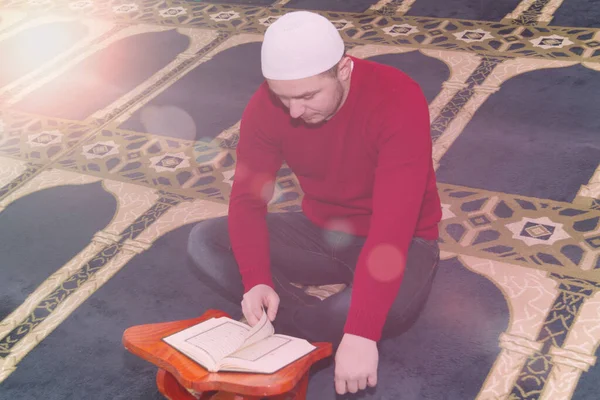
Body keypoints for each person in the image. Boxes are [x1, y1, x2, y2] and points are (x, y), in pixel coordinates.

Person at [187, 10, 442, 396]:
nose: (294, 112)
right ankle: (307, 321)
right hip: (322, 232)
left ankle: (292, 326)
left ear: (343, 70)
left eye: (308, 96)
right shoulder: (267, 106)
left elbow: (393, 224)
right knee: (206, 241)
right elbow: (246, 199)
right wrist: (256, 278)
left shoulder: (397, 97)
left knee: (378, 314)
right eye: (283, 97)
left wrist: (360, 332)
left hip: (403, 239)